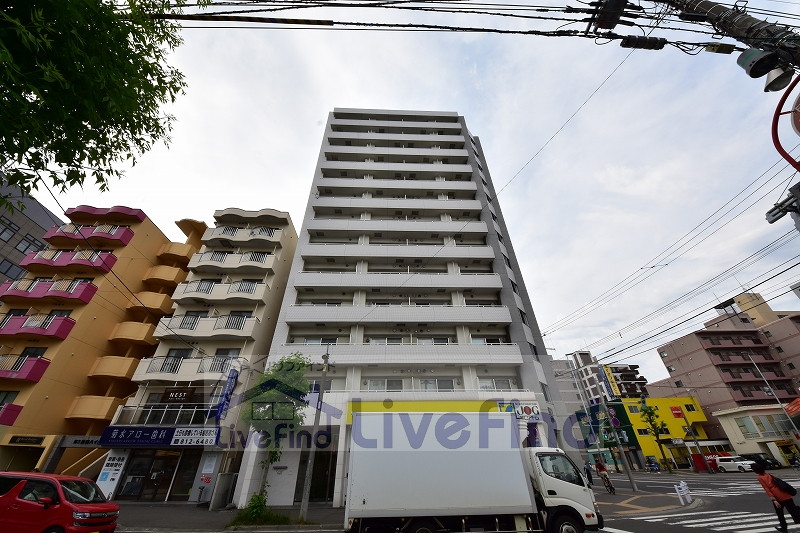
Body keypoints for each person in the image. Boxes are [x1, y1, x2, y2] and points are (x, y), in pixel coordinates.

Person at [753, 462, 800, 532]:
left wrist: (774, 500)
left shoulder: (760, 477)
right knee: (793, 511)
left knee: (780, 514)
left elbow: (767, 489)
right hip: (786, 494)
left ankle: (784, 528)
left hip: (778, 497)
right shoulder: (768, 474)